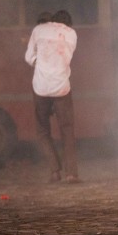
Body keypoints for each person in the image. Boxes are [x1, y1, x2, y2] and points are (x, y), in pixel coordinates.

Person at [25, 10, 80, 184]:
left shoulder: (39, 30)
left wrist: (38, 62)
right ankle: (71, 174)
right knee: (67, 130)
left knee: (42, 130)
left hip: (40, 87)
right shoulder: (71, 34)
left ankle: (54, 171)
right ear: (68, 24)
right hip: (61, 87)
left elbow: (28, 57)